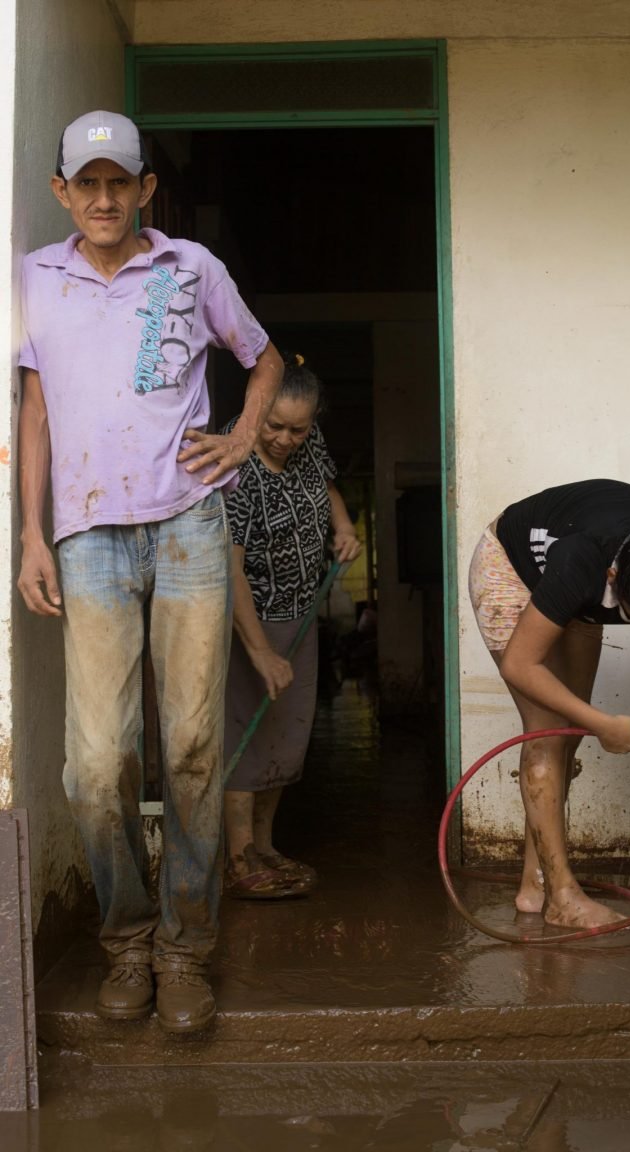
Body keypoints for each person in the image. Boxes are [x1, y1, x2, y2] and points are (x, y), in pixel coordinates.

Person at [17, 110, 284, 1032]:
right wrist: (28, 538)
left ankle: (184, 950)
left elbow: (264, 358)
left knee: (196, 749)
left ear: (144, 190)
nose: (103, 198)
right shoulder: (32, 282)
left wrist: (243, 437)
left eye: (118, 182)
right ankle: (127, 937)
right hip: (88, 534)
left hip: (188, 529)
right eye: (86, 183)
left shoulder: (190, 270)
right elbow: (37, 413)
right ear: (63, 192)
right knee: (95, 767)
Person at [468, 479, 630, 930]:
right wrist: (602, 724)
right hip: (512, 563)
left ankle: (535, 884)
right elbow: (520, 666)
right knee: (548, 731)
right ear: (614, 581)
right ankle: (562, 899)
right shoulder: (583, 558)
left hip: (578, 592)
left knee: (569, 740)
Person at [221, 354, 361, 898]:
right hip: (250, 623)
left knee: (286, 735)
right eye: (274, 426)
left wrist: (344, 527)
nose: (284, 438)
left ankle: (264, 844)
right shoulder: (236, 470)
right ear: (255, 412)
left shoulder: (310, 446)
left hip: (301, 615)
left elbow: (326, 488)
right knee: (245, 732)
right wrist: (259, 651)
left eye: (297, 429)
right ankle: (238, 858)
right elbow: (230, 570)